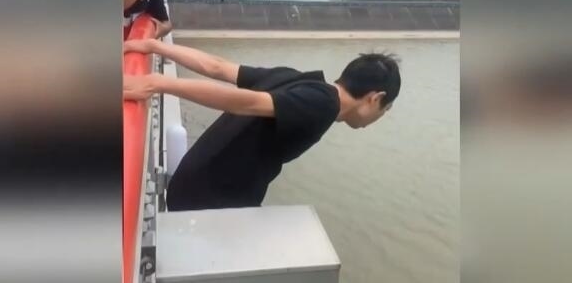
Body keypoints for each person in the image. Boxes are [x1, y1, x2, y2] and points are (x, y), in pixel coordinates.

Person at [122, 38, 401, 211]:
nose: (380, 117)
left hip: (192, 186)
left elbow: (218, 66)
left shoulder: (298, 78)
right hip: (208, 202)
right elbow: (247, 102)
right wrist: (158, 84)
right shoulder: (324, 104)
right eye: (385, 109)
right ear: (375, 98)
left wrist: (155, 46)